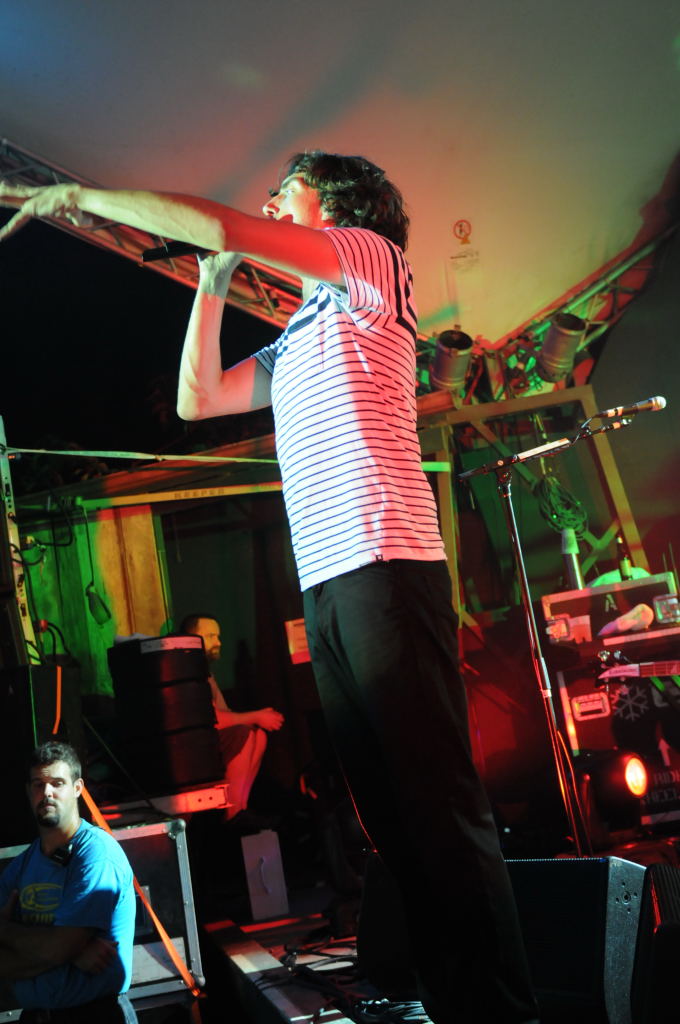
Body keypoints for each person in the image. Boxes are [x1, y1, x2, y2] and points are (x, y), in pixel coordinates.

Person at [0, 157, 539, 1022]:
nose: (270, 203)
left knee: (435, 803)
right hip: (327, 584)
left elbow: (224, 222)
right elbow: (197, 399)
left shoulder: (369, 261)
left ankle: (504, 1009)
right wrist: (212, 282)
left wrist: (81, 197)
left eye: (285, 190)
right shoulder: (297, 334)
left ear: (337, 202)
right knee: (390, 817)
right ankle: (450, 1000)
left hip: (388, 565)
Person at [0, 741, 137, 1023]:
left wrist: (6, 930)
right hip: (36, 1017)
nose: (46, 792)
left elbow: (57, 949)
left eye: (57, 783)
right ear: (28, 792)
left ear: (77, 788)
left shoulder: (96, 854)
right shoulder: (19, 868)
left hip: (95, 1015)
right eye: (38, 784)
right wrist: (72, 953)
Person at [178, 612, 283, 827]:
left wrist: (255, 719)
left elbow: (224, 713)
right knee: (242, 735)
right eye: (211, 636)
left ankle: (241, 806)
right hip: (191, 751)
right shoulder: (186, 671)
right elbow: (213, 720)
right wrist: (256, 716)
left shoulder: (206, 672)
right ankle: (232, 814)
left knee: (258, 735)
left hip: (208, 744)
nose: (218, 642)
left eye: (218, 636)